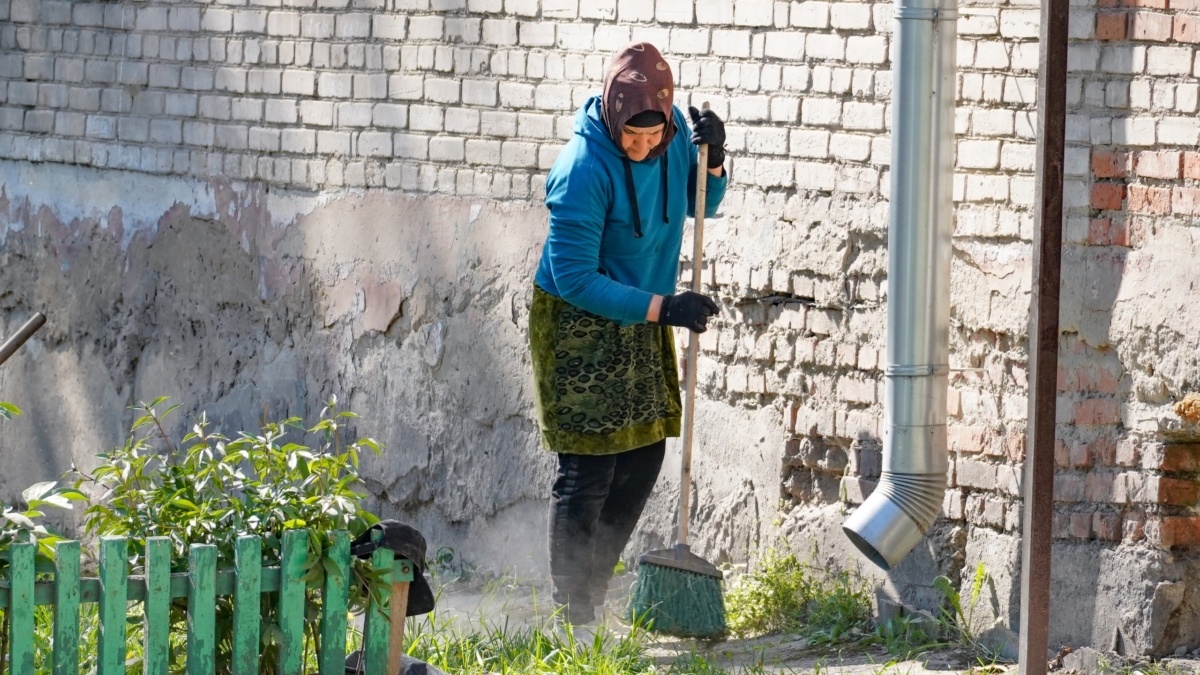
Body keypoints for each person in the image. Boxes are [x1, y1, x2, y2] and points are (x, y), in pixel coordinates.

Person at [528, 42, 729, 624]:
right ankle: (572, 612)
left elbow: (702, 204)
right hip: (580, 320)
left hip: (643, 312)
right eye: (631, 137)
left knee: (642, 455)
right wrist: (664, 308)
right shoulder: (582, 169)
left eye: (653, 136)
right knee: (590, 465)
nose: (642, 147)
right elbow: (574, 277)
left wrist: (714, 161)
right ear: (614, 116)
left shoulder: (672, 141)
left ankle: (592, 591)